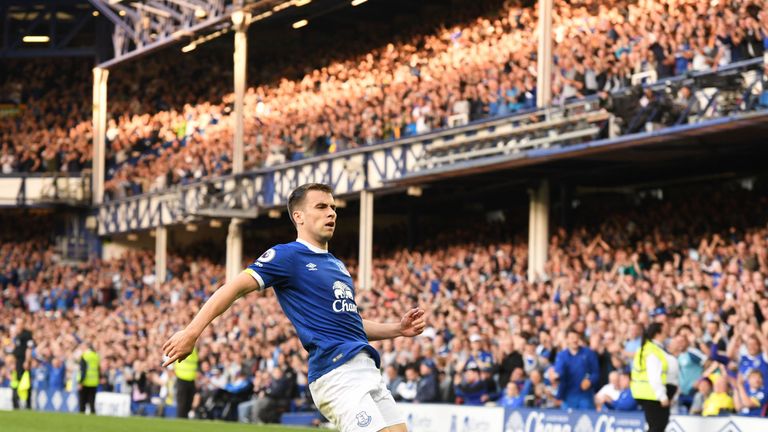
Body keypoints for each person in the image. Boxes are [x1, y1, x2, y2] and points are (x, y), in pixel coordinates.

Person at [163, 183, 426, 432]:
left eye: (333, 207)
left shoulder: (337, 265)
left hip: (367, 368)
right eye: (321, 207)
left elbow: (351, 325)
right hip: (337, 371)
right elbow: (234, 288)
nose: (331, 212)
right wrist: (191, 332)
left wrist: (398, 329)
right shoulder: (287, 255)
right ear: (299, 217)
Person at [630, 322, 672, 432]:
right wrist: (662, 396)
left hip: (643, 392)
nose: (668, 332)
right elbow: (654, 376)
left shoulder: (645, 348)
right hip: (652, 394)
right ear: (658, 334)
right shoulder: (653, 351)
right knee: (657, 427)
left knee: (655, 426)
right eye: (665, 329)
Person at [551, 326, 600, 409]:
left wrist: (590, 380)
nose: (575, 340)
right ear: (567, 339)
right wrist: (556, 376)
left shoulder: (588, 353)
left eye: (577, 338)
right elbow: (559, 371)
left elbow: (596, 373)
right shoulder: (562, 355)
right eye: (572, 338)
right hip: (568, 396)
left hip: (585, 396)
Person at [174, 346, 198, 418]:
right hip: (181, 378)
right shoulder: (182, 347)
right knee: (182, 402)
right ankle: (180, 419)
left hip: (191, 379)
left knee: (189, 402)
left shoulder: (195, 350)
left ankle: (184, 419)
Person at [79, 345, 100, 414]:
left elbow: (83, 370)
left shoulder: (85, 356)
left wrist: (81, 382)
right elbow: (98, 369)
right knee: (92, 402)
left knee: (82, 402)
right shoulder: (96, 356)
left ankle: (82, 416)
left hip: (86, 381)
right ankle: (93, 415)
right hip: (94, 381)